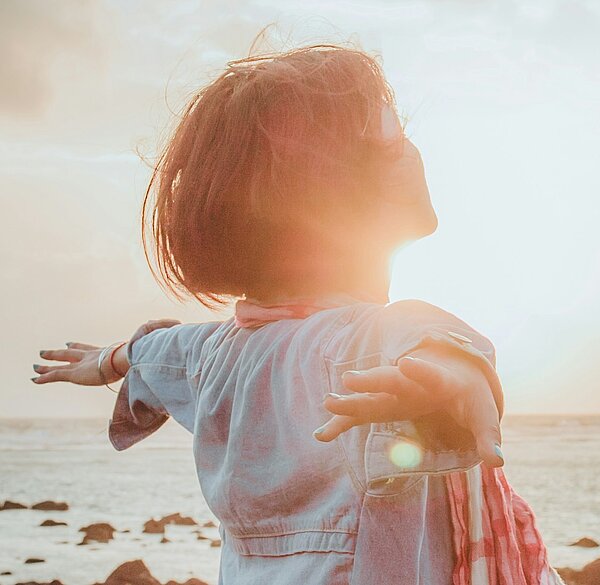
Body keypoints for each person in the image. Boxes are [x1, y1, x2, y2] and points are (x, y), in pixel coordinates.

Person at [32, 44, 564, 585]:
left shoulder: (214, 353)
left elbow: (153, 354)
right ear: (333, 193)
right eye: (393, 140)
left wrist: (105, 361)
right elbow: (435, 345)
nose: (412, 150)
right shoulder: (369, 339)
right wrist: (449, 381)